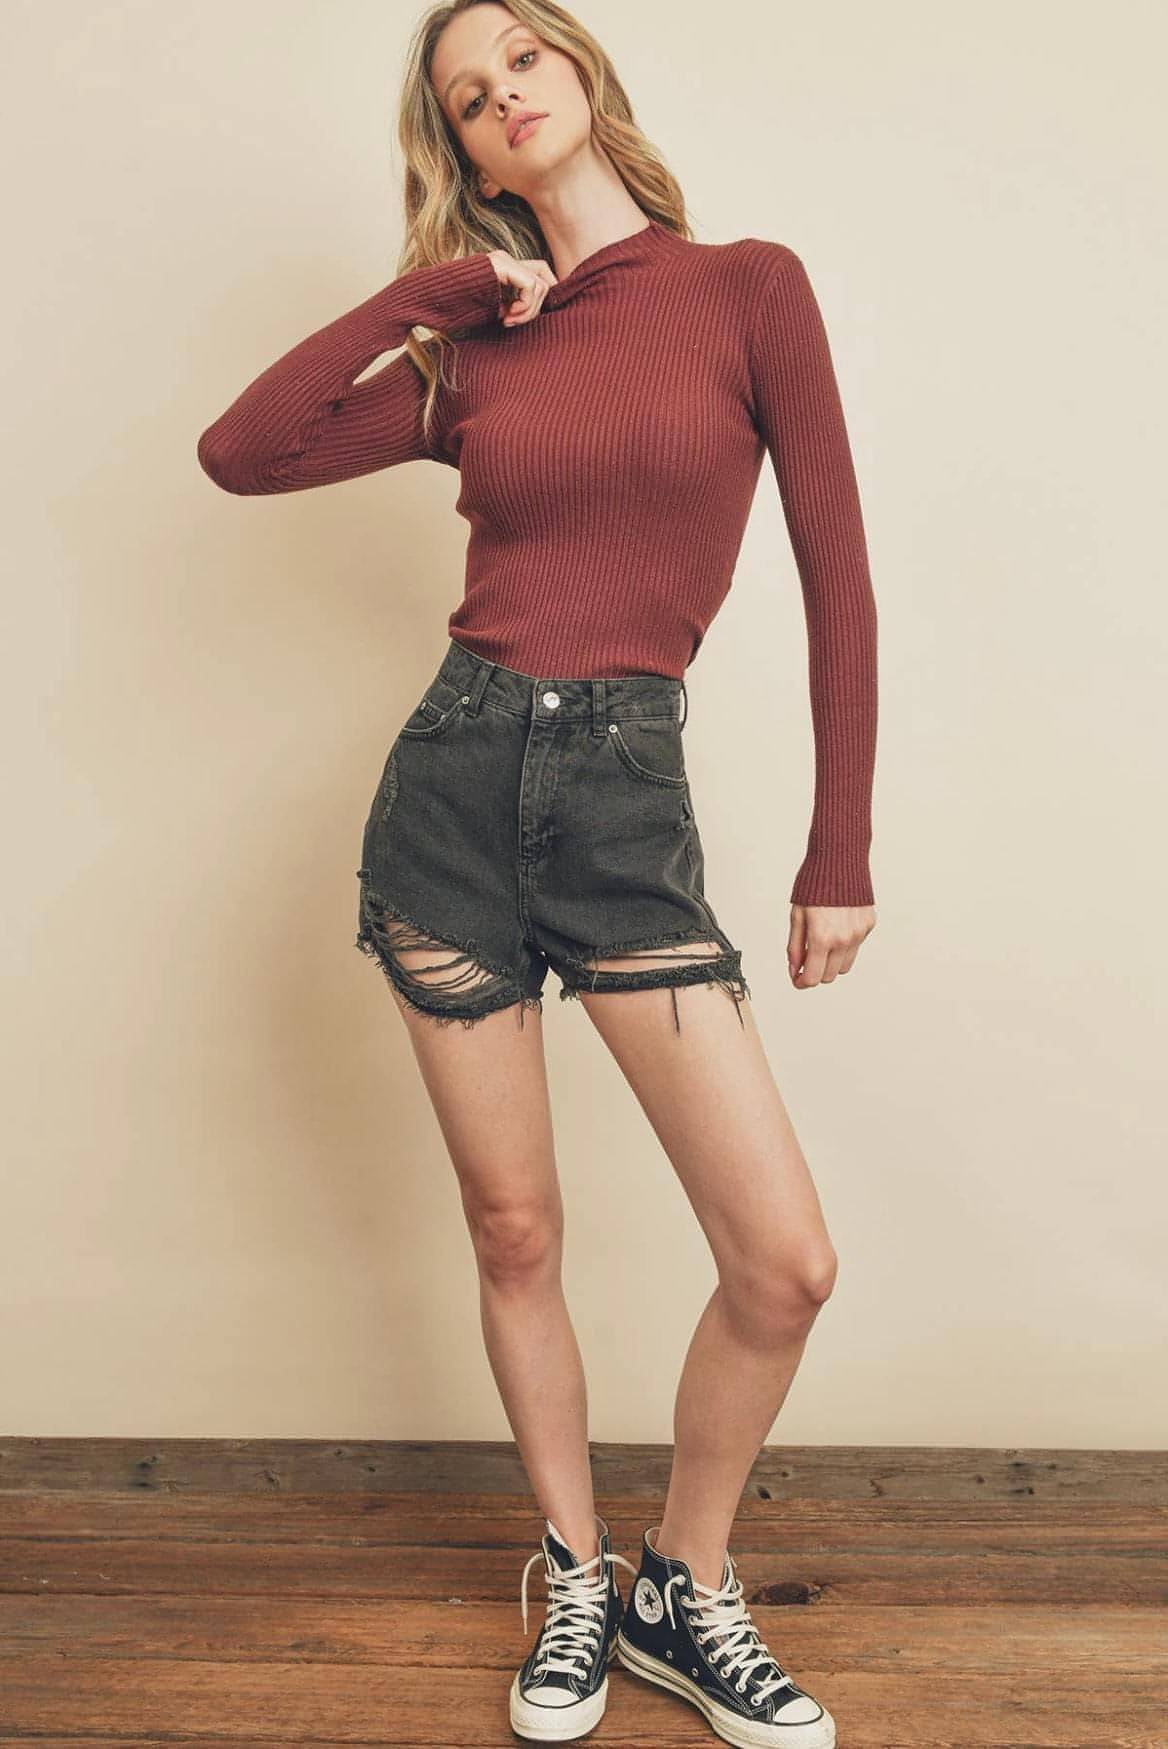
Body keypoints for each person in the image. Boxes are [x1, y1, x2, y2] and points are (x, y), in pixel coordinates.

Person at [197, 3, 877, 1743]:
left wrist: (840, 843)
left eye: (520, 60)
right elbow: (242, 452)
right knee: (514, 1227)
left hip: (624, 801)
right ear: (459, 145)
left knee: (784, 1260)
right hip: (451, 787)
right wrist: (421, 299)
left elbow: (838, 573)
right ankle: (576, 1571)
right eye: (464, 95)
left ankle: (683, 1585)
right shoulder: (476, 349)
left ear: (581, 73)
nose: (502, 95)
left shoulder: (747, 288)